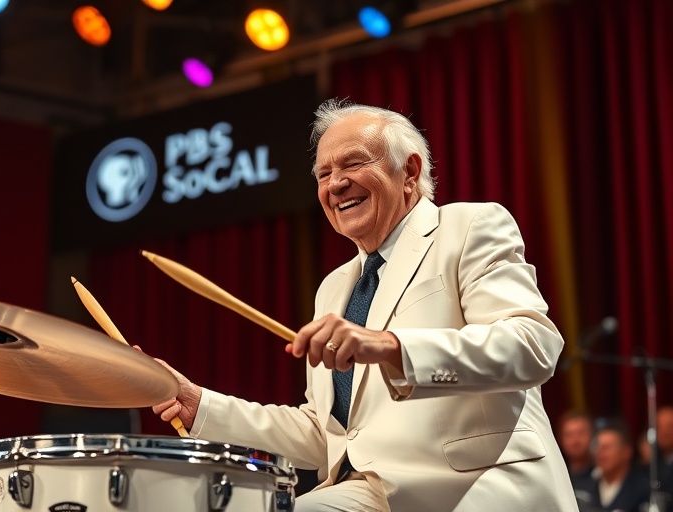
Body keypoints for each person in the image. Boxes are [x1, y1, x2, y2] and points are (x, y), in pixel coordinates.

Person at [150, 99, 578, 511]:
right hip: (365, 494)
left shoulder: (468, 227)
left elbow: (532, 346)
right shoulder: (334, 289)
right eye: (323, 173)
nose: (335, 184)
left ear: (409, 171)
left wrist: (392, 347)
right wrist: (200, 404)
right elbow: (326, 432)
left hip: (475, 488)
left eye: (353, 164)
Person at [577, 420, 650, 512]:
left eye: (607, 447)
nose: (601, 452)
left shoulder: (644, 489)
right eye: (597, 447)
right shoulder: (584, 487)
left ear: (627, 451)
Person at [559, 410, 597, 496]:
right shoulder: (557, 477)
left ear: (593, 435)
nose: (575, 441)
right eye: (569, 435)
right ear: (560, 440)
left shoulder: (604, 476)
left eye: (581, 433)